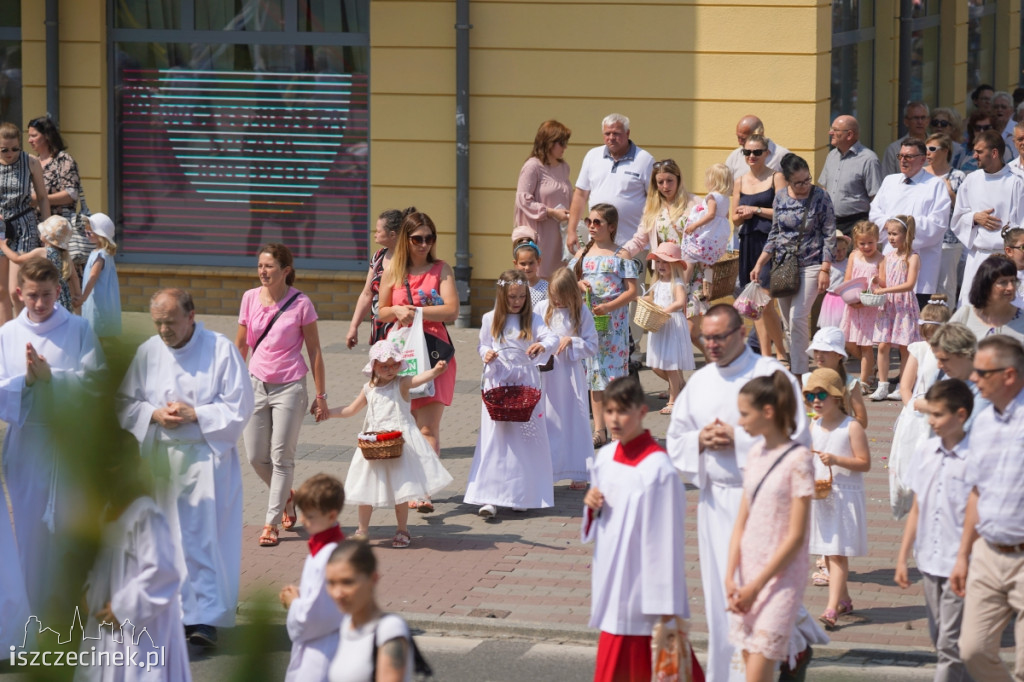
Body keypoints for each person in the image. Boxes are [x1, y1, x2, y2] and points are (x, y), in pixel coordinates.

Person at [667, 304, 820, 682]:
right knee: (723, 598)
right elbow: (674, 441)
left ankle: (782, 655)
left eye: (719, 337)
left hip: (765, 503)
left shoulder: (771, 375)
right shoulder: (700, 382)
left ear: (741, 332)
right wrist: (699, 440)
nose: (711, 345)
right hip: (716, 501)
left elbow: (797, 441)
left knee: (765, 591)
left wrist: (738, 440)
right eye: (705, 338)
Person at [117, 288, 255, 648]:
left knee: (202, 539)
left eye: (171, 322)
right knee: (164, 541)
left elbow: (240, 405)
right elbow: (125, 402)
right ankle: (172, 614)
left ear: (191, 315)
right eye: (159, 323)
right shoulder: (148, 351)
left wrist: (198, 414)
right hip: (161, 460)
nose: (164, 331)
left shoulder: (220, 349)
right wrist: (153, 413)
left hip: (205, 458)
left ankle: (206, 618)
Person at [0, 257, 104, 615]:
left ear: (58, 291)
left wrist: (52, 378)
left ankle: (68, 615)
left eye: (46, 295)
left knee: (67, 532)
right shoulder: (7, 335)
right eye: (32, 296)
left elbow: (97, 383)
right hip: (26, 444)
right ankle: (31, 616)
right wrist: (25, 382)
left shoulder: (78, 329)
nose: (40, 304)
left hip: (67, 444)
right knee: (29, 533)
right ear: (19, 293)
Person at [582, 376, 695, 682]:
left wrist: (666, 607)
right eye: (609, 411)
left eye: (622, 412)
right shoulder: (604, 458)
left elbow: (668, 541)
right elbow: (600, 521)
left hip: (645, 592)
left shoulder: (659, 470)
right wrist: (592, 508)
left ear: (642, 411)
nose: (615, 420)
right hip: (612, 578)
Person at [236, 243, 327, 548]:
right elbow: (240, 347)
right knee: (254, 456)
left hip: (290, 386)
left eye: (269, 266)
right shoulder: (249, 298)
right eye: (260, 266)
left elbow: (314, 350)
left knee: (281, 458)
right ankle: (288, 497)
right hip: (255, 384)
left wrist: (321, 394)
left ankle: (271, 522)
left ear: (285, 270)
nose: (263, 271)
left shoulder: (301, 303)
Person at [725, 372, 815, 682]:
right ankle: (797, 653)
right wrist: (730, 575)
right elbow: (742, 520)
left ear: (768, 412)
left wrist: (756, 585)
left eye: (745, 413)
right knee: (749, 663)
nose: (739, 422)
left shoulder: (799, 459)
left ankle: (797, 651)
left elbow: (797, 536)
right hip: (748, 571)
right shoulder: (754, 454)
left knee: (757, 675)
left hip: (780, 579)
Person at [324, 341, 453, 545]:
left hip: (399, 444)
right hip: (374, 444)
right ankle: (362, 530)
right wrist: (328, 413)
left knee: (402, 491)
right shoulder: (368, 388)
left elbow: (418, 379)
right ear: (374, 366)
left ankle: (402, 530)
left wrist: (435, 372)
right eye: (385, 366)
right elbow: (350, 410)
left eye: (394, 365)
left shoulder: (401, 384)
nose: (390, 369)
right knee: (366, 488)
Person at [75, 458, 192, 682]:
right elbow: (98, 562)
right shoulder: (107, 510)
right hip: (107, 621)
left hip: (141, 622)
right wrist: (90, 591)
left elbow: (162, 572)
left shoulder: (145, 514)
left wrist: (122, 608)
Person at [950, 335, 1024, 682]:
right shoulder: (981, 423)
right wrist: (964, 555)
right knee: (973, 650)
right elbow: (976, 491)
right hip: (988, 554)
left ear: (1008, 375)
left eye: (982, 372)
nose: (974, 378)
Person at [894, 379, 975, 682]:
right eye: (930, 414)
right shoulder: (926, 451)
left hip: (960, 562)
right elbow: (917, 506)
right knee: (940, 634)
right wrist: (903, 557)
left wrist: (966, 557)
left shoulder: (975, 457)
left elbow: (975, 515)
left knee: (948, 644)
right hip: (928, 560)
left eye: (939, 415)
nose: (931, 421)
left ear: (961, 415)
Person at [377, 211, 459, 511]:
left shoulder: (441, 269)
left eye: (429, 238)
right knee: (407, 427)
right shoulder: (393, 271)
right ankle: (408, 484)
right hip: (404, 356)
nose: (423, 244)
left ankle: (422, 490)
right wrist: (397, 312)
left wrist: (415, 311)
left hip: (436, 353)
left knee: (428, 429)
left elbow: (451, 311)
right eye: (417, 239)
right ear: (406, 241)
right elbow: (381, 311)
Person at [466, 270, 558, 518]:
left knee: (522, 441)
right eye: (511, 297)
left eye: (520, 297)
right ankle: (489, 497)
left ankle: (521, 493)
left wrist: (542, 345)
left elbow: (552, 337)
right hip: (498, 384)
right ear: (501, 295)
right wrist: (486, 353)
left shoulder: (533, 320)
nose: (516, 301)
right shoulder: (490, 319)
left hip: (524, 385)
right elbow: (483, 343)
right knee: (495, 439)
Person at [750, 153, 837, 378]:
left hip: (812, 263)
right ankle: (797, 369)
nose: (804, 185)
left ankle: (799, 375)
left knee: (798, 318)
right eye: (798, 182)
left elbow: (829, 234)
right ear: (787, 181)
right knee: (788, 324)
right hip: (783, 266)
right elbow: (775, 232)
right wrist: (760, 263)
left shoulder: (821, 196)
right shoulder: (780, 197)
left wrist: (825, 268)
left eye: (807, 179)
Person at [803, 368, 871, 630]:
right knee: (829, 550)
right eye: (811, 395)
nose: (816, 400)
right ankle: (844, 600)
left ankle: (832, 609)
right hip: (821, 495)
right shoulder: (815, 424)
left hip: (844, 496)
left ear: (836, 397)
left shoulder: (850, 427)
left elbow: (864, 463)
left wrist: (836, 460)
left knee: (837, 553)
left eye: (822, 394)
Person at [570, 204, 639, 447]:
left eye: (597, 222)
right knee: (594, 376)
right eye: (589, 221)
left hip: (614, 325)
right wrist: (580, 285)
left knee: (613, 378)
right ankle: (599, 430)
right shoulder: (582, 255)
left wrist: (609, 307)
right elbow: (570, 279)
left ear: (611, 227)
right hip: (590, 323)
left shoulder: (621, 255)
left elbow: (633, 291)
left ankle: (618, 428)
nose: (591, 226)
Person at [535, 267, 598, 490]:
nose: (558, 301)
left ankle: (578, 470)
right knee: (548, 420)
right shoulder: (542, 309)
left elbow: (592, 345)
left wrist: (572, 341)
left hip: (570, 375)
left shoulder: (581, 312)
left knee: (574, 419)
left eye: (562, 297)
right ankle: (547, 471)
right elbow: (533, 335)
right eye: (554, 296)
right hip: (547, 374)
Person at [869, 138, 951, 308]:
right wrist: (892, 226)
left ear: (923, 159)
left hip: (922, 259)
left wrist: (902, 229)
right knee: (890, 311)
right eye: (901, 156)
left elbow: (938, 223)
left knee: (917, 314)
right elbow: (875, 213)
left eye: (909, 156)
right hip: (891, 256)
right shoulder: (889, 181)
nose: (903, 160)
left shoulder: (935, 185)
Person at [280, 474, 346, 682]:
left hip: (322, 651)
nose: (302, 520)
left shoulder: (329, 556)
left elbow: (314, 617)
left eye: (310, 516)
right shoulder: (325, 548)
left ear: (331, 516)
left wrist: (294, 604)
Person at [732, 134, 789, 363]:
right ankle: (768, 355)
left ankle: (779, 352)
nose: (751, 156)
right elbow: (734, 219)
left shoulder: (777, 178)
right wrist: (742, 214)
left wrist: (755, 210)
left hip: (771, 242)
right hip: (748, 241)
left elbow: (785, 212)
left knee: (765, 300)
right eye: (747, 152)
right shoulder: (740, 181)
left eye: (756, 152)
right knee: (756, 303)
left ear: (767, 153)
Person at [951, 130, 1024, 306]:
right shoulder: (971, 181)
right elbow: (957, 218)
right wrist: (974, 218)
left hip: (1007, 260)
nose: (974, 155)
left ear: (994, 153)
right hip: (978, 257)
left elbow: (1021, 222)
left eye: (979, 151)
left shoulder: (1016, 182)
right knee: (974, 310)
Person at [325, 540, 416, 682]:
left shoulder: (389, 630)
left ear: (373, 579)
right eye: (331, 583)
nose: (337, 593)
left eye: (347, 582)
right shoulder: (345, 624)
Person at [565, 113, 654, 252]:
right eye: (607, 133)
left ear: (627, 133)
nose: (611, 138)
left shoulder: (645, 160)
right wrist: (571, 231)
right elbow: (580, 195)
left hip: (633, 245)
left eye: (616, 133)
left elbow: (654, 201)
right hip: (597, 243)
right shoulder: (592, 156)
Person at [26, 115, 88, 277]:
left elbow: (71, 194)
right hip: (36, 230)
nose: (29, 140)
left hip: (59, 232)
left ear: (46, 136)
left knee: (62, 275)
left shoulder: (63, 160)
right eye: (28, 136)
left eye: (34, 135)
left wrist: (40, 199)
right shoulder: (31, 162)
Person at [0, 121, 49, 323]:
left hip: (24, 226)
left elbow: (43, 197)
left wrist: (46, 230)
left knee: (15, 290)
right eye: (4, 149)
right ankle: (4, 339)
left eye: (15, 148)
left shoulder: (30, 162)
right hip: (1, 229)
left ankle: (25, 331)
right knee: (1, 289)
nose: (10, 153)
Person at [346, 207, 416, 349]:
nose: (375, 234)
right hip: (379, 328)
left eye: (378, 231)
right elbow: (367, 294)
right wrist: (354, 326)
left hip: (404, 331)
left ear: (392, 235)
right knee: (382, 370)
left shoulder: (412, 261)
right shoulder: (378, 257)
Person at [870, 215, 923, 400]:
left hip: (904, 305)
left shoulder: (913, 256)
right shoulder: (887, 257)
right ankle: (882, 385)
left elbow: (909, 285)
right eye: (889, 234)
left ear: (906, 234)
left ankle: (903, 385)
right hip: (889, 306)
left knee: (904, 347)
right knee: (883, 345)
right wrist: (878, 281)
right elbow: (885, 281)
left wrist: (887, 290)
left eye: (894, 234)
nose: (891, 238)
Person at [515, 120, 572, 278]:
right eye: (561, 143)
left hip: (560, 235)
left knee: (559, 278)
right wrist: (551, 212)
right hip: (541, 234)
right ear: (548, 142)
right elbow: (523, 200)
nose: (565, 147)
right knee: (540, 279)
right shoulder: (533, 166)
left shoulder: (563, 167)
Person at [644, 241, 694, 414]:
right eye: (658, 261)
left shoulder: (677, 283)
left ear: (674, 265)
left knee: (671, 365)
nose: (661, 265)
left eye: (665, 262)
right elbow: (653, 299)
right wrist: (639, 299)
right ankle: (679, 386)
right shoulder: (657, 283)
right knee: (656, 364)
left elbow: (680, 302)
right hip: (660, 325)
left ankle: (673, 400)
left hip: (671, 324)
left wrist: (666, 310)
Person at [0, 213, 80, 311]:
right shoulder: (65, 255)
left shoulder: (42, 252)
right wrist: (78, 295)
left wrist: (3, 246)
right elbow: (74, 277)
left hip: (48, 296)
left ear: (47, 236)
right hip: (63, 298)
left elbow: (17, 259)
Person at [818, 115, 882, 237]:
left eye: (835, 130)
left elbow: (876, 198)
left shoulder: (869, 159)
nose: (830, 132)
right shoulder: (831, 155)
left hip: (856, 225)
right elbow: (824, 188)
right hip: (830, 223)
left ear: (849, 135)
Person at [840, 221, 885, 391]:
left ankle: (864, 380)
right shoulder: (853, 256)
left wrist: (870, 293)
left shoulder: (881, 259)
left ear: (877, 240)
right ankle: (871, 366)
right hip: (852, 305)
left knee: (865, 345)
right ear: (856, 242)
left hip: (869, 306)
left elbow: (882, 283)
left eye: (870, 243)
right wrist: (850, 298)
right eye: (862, 243)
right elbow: (847, 278)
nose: (866, 247)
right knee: (850, 343)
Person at [924, 133, 968, 303]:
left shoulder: (958, 177)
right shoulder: (919, 175)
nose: (927, 153)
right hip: (923, 240)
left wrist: (950, 194)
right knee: (923, 286)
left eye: (932, 149)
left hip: (948, 242)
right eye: (925, 148)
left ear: (946, 151)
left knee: (945, 287)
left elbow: (964, 211)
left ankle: (944, 326)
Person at [950, 254, 1024, 343]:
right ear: (985, 286)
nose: (1011, 287)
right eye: (1003, 282)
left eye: (1013, 281)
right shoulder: (965, 315)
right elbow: (940, 351)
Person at [680, 163, 732, 288]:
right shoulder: (725, 198)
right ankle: (707, 288)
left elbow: (711, 214)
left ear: (712, 180)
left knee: (690, 257)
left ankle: (683, 285)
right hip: (714, 238)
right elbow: (726, 216)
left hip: (704, 235)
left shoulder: (712, 196)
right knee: (707, 264)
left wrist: (695, 225)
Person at [805, 326, 868, 429]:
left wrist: (836, 419)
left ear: (839, 355)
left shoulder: (850, 383)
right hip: (816, 439)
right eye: (816, 350)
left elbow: (862, 421)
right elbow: (806, 415)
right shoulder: (808, 379)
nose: (819, 355)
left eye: (825, 351)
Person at [74, 212, 122, 339]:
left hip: (97, 302)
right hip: (102, 300)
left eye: (90, 232)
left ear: (100, 236)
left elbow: (93, 276)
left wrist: (83, 298)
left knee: (98, 334)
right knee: (102, 334)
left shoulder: (100, 255)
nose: (86, 234)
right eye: (86, 231)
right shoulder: (104, 253)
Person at [724, 115, 791, 179]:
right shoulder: (735, 157)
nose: (739, 142)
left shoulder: (782, 156)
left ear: (759, 134)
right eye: (738, 137)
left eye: (743, 139)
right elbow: (724, 187)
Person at [881, 102, 931, 176]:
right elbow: (887, 178)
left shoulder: (937, 147)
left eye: (923, 118)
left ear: (928, 120)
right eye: (915, 118)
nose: (920, 122)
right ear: (906, 121)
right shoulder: (894, 149)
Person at [818, 233, 851, 330]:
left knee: (844, 323)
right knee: (831, 324)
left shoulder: (849, 262)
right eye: (837, 251)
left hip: (845, 297)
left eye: (844, 249)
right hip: (831, 298)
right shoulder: (827, 264)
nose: (840, 253)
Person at [511, 227, 548, 304]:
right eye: (523, 264)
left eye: (531, 263)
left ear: (538, 261)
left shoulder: (547, 288)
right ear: (515, 264)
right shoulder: (510, 287)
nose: (527, 268)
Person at [990, 91, 1018, 161]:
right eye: (996, 107)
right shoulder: (986, 127)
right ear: (992, 110)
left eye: (1003, 107)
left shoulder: (1018, 129)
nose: (999, 110)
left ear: (1011, 110)